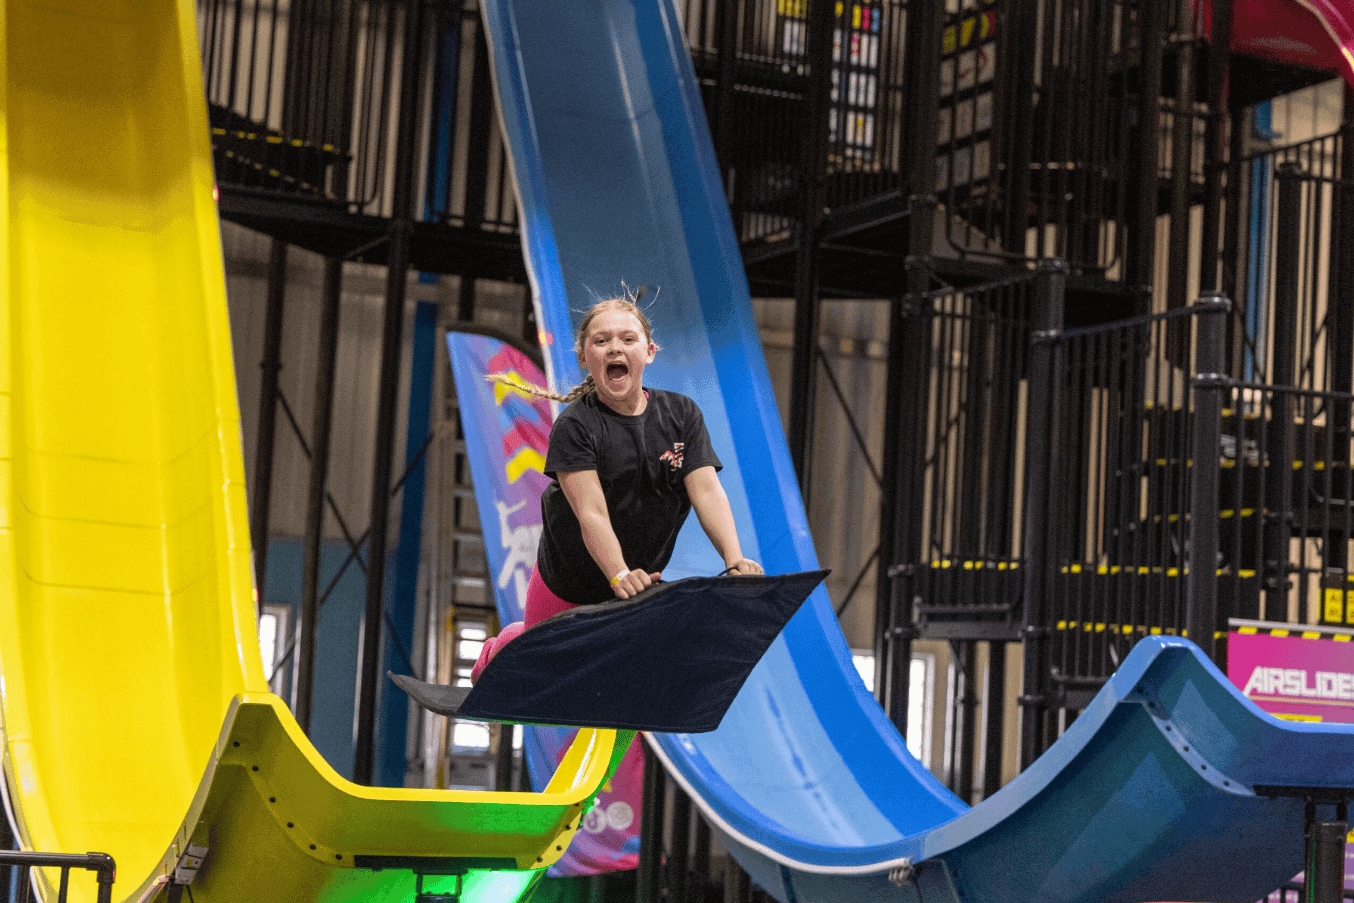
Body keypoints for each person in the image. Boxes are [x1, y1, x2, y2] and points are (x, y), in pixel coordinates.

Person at [471, 293, 762, 680]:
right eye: (601, 340)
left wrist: (734, 559)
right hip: (570, 578)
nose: (615, 348)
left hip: (635, 580)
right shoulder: (576, 426)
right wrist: (618, 573)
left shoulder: (682, 416)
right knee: (540, 665)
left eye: (628, 339)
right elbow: (591, 513)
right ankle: (500, 649)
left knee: (611, 677)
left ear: (650, 351)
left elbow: (706, 491)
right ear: (583, 357)